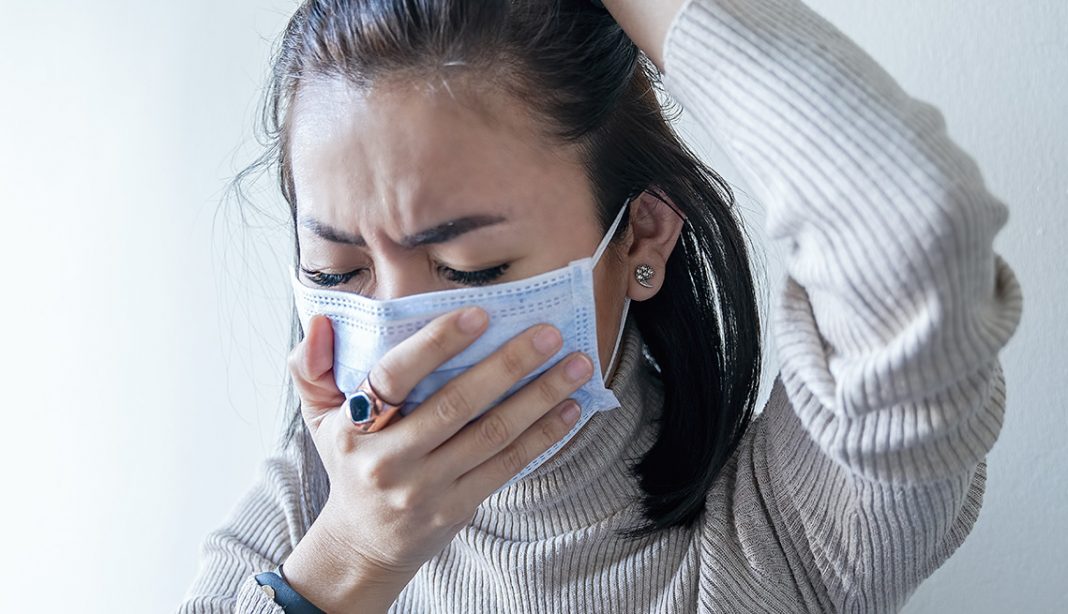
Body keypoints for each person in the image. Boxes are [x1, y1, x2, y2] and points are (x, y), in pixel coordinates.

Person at [177, 0, 1024, 611]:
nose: (405, 340)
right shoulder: (300, 516)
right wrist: (350, 559)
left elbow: (913, 224)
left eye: (471, 268)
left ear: (641, 239)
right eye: (336, 271)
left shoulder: (785, 534)